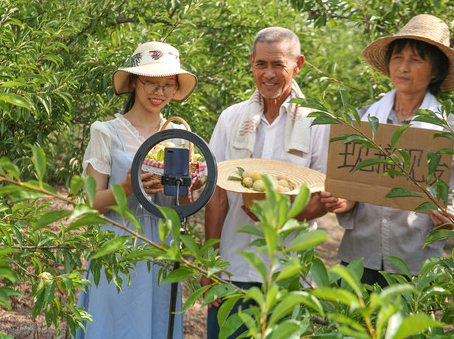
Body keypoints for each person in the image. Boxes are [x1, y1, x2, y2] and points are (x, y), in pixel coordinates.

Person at [201, 27, 330, 339]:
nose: (269, 74)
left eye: (278, 65)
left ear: (298, 64)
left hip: (287, 270)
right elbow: (216, 197)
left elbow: (322, 197)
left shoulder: (317, 122)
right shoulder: (232, 119)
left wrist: (282, 216)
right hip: (234, 265)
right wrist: (209, 264)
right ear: (251, 63)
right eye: (262, 64)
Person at [320, 14, 454, 288]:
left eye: (415, 60)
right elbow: (351, 186)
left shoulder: (447, 129)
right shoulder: (362, 121)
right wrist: (345, 201)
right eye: (398, 58)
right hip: (359, 255)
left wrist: (449, 216)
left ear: (435, 72)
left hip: (415, 261)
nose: (404, 67)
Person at [75, 41, 197, 339]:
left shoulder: (180, 136)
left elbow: (183, 203)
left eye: (169, 85)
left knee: (157, 324)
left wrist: (190, 185)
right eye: (151, 84)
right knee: (115, 325)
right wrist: (128, 186)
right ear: (133, 83)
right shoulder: (106, 132)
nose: (160, 93)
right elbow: (92, 204)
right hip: (118, 246)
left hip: (162, 248)